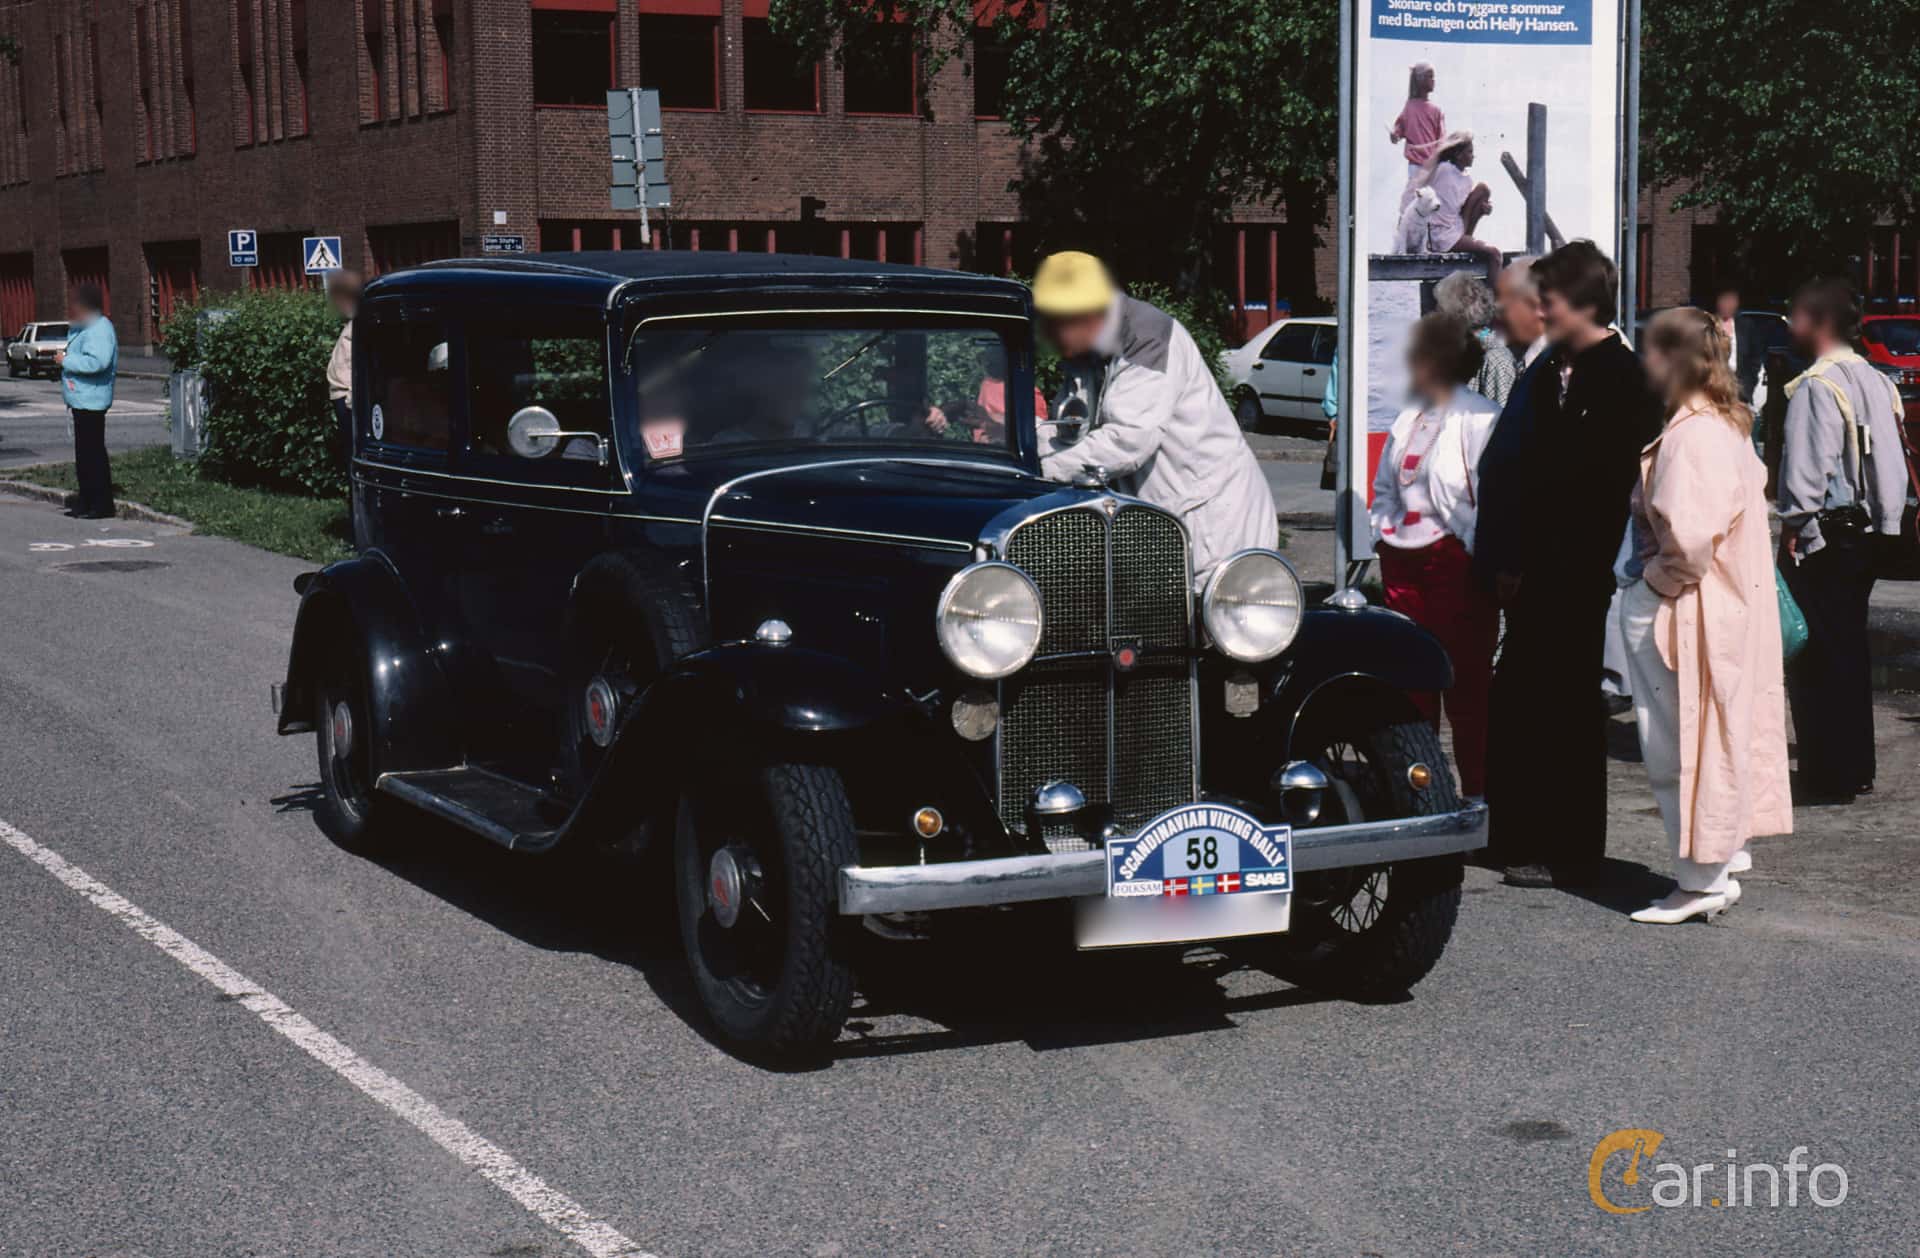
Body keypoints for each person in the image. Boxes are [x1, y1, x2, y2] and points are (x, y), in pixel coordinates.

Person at [1474, 241, 1663, 887]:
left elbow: (1593, 488)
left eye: (1548, 298)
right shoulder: (1553, 365)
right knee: (1522, 703)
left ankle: (1568, 848)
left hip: (1574, 574)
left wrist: (1538, 561)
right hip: (1530, 571)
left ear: (1581, 302)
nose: (1540, 310)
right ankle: (1512, 834)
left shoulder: (1623, 377)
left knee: (1566, 712)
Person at [1621, 308, 1792, 923]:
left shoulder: (1693, 434)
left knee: (1678, 746)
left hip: (1688, 608)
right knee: (1715, 735)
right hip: (1721, 605)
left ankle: (1699, 881)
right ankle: (1718, 862)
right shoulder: (1727, 421)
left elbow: (1689, 542)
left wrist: (1650, 583)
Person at [1030, 251, 1278, 582]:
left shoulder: (1148, 338)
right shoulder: (1087, 354)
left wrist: (1036, 464)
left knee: (1207, 628)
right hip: (1168, 522)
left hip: (1213, 525)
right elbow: (1070, 432)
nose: (1050, 335)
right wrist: (1020, 440)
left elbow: (1127, 442)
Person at [1775, 276, 1909, 802]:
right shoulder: (1875, 378)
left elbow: (1808, 472)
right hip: (1867, 534)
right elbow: (1892, 468)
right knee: (1850, 649)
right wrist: (1888, 524)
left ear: (1819, 323)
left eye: (1795, 315)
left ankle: (1826, 773)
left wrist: (1795, 527)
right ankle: (1856, 766)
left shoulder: (1816, 385)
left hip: (1825, 535)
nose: (1788, 324)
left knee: (1815, 654)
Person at [1369, 314, 1501, 794]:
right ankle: (1422, 794)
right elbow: (1385, 485)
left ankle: (1480, 796)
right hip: (1402, 566)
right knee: (1411, 686)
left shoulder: (1481, 415)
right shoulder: (1409, 415)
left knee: (1466, 690)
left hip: (1455, 565)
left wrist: (1476, 551)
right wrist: (1381, 532)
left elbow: (1490, 496)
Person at [55, 284, 118, 520]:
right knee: (84, 454)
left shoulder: (99, 329)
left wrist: (66, 360)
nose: (73, 310)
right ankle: (87, 500)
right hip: (82, 398)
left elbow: (97, 362)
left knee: (93, 454)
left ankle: (100, 504)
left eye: (77, 306)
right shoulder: (86, 327)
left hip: (92, 399)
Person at [1416, 133, 1502, 284]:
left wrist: (1484, 208)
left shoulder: (1467, 180)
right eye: (1469, 152)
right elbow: (1422, 181)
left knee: (1483, 189)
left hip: (1456, 228)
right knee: (1494, 254)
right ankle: (1496, 303)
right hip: (1441, 235)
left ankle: (1466, 237)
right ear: (1458, 154)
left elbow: (1462, 205)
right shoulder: (1444, 169)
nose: (1473, 156)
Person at [1434, 271, 1506, 404]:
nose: (1437, 314)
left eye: (1441, 308)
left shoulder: (1495, 358)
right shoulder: (1463, 348)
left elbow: (1503, 416)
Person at [1389, 63, 1446, 205]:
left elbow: (1442, 140)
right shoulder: (1410, 106)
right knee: (1415, 200)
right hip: (1415, 165)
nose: (1433, 80)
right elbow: (1399, 129)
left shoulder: (1436, 110)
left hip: (1432, 166)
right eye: (1429, 76)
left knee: (1432, 203)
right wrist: (1394, 135)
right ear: (1420, 80)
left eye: (1434, 77)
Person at [325, 270, 363, 463]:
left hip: (346, 397)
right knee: (350, 449)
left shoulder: (358, 325)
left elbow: (353, 365)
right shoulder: (354, 323)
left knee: (353, 450)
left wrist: (349, 398)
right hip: (342, 394)